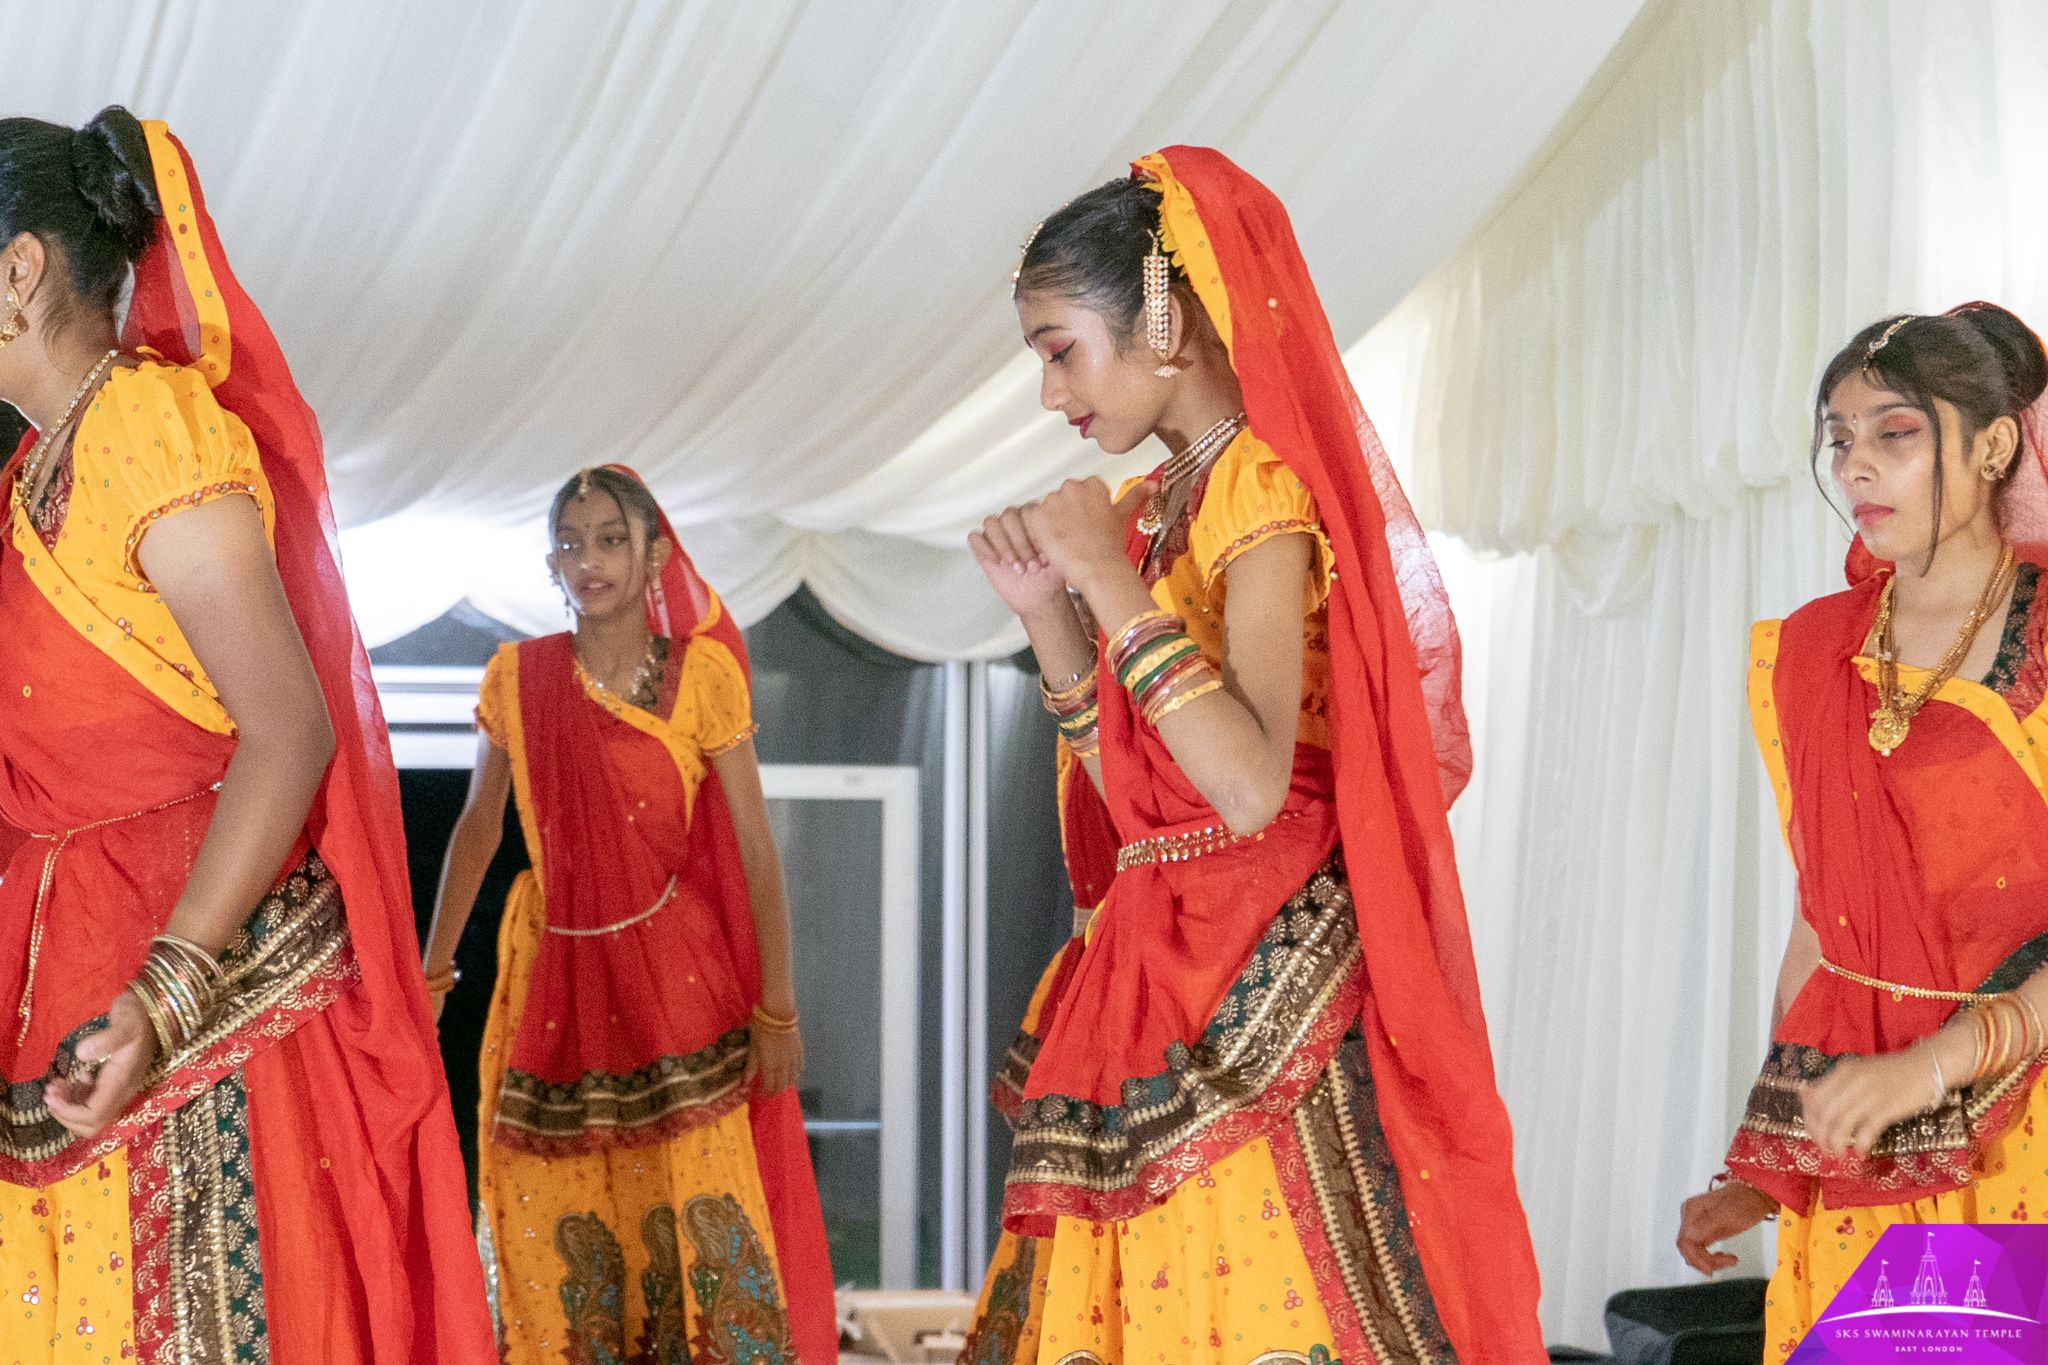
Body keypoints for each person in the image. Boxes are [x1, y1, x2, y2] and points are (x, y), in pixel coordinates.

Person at [964, 146, 1544, 1365]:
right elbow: (1141, 787)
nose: (1048, 393)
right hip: (1159, 940)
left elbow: (1244, 781)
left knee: (1256, 1298)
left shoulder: (1257, 486)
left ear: (1162, 323)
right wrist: (1044, 614)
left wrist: (1110, 585)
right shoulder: (1154, 505)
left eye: (1059, 347)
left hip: (1259, 959)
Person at [0, 107, 493, 1360]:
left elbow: (288, 730)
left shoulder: (150, 427)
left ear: (19, 270)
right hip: (58, 968)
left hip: (192, 996)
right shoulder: (26, 479)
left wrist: (166, 992)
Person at [1678, 303, 2048, 1354]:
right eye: (1836, 439)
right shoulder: (1805, 652)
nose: (1852, 468)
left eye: (1893, 432)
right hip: (1863, 1145)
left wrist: (1928, 1066)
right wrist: (1761, 1163)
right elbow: (1820, 931)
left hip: (2020, 1132)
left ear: (1991, 443)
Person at [422, 464, 837, 1363]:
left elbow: (757, 851)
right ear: (550, 563)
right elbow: (477, 830)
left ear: (653, 554)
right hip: (553, 976)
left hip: (678, 979)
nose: (590, 559)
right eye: (571, 542)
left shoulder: (704, 678)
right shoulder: (517, 679)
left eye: (611, 538)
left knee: (702, 1223)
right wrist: (432, 971)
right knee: (551, 1232)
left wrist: (779, 1008)